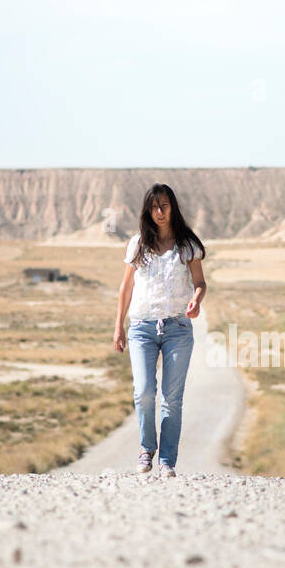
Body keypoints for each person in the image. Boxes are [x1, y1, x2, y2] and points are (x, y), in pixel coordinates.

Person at [113, 184, 207, 477]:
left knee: (171, 398)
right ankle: (146, 449)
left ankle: (167, 460)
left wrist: (197, 299)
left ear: (173, 207)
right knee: (143, 392)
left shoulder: (188, 243)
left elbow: (200, 282)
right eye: (154, 207)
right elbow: (126, 287)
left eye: (164, 206)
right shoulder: (138, 244)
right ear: (147, 211)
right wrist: (118, 326)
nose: (159, 212)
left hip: (178, 327)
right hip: (141, 327)